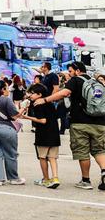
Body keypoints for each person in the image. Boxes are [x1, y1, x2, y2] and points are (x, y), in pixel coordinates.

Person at [39, 61, 105, 190]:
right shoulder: (97, 82)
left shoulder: (75, 80)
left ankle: (85, 180)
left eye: (70, 71)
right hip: (100, 122)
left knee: (82, 152)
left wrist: (45, 99)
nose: (69, 74)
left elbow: (64, 93)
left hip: (80, 123)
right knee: (100, 150)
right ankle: (104, 171)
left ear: (78, 71)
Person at [22, 83, 61, 188]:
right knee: (52, 157)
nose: (30, 95)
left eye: (32, 93)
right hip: (54, 132)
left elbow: (43, 120)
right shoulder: (49, 103)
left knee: (42, 157)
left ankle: (46, 179)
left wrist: (27, 117)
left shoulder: (37, 104)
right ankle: (55, 178)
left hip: (43, 134)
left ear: (39, 94)